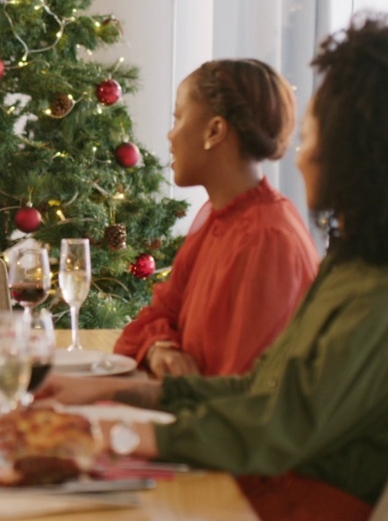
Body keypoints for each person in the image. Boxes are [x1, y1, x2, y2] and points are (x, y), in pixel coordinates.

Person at [38, 14, 388, 520]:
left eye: (311, 140)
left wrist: (115, 430)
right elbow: (260, 388)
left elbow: (275, 427)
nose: (298, 159)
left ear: (359, 159)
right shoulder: (362, 271)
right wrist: (117, 392)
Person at [113, 59, 319, 377]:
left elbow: (241, 397)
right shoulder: (217, 216)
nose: (170, 135)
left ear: (215, 130)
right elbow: (150, 320)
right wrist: (160, 349)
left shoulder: (267, 238)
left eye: (179, 118)